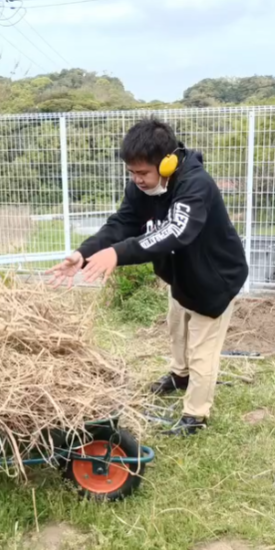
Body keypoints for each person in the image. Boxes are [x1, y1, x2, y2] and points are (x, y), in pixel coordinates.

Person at [48, 118, 248, 435]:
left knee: (202, 350)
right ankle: (179, 376)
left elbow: (177, 230)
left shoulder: (195, 184)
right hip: (181, 276)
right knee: (177, 330)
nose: (137, 179)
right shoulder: (142, 188)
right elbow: (122, 223)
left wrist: (118, 254)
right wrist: (84, 252)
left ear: (167, 163)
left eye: (142, 172)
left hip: (215, 279)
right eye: (131, 172)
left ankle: (195, 416)